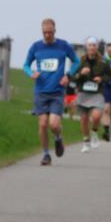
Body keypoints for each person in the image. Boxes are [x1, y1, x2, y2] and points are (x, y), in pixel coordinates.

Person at [24, 19, 80, 166]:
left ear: (55, 31)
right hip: (41, 91)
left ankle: (58, 138)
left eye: (50, 32)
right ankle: (46, 154)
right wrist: (31, 73)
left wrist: (68, 75)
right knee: (43, 124)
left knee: (54, 125)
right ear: (42, 32)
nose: (47, 35)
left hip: (57, 91)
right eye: (45, 33)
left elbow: (76, 61)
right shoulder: (36, 47)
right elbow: (26, 65)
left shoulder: (63, 45)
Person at [75, 37, 111, 152]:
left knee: (96, 116)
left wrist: (101, 79)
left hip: (97, 93)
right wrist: (81, 74)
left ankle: (94, 132)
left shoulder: (103, 62)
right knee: (84, 118)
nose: (92, 47)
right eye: (90, 45)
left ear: (97, 47)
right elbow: (73, 77)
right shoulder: (80, 61)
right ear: (86, 47)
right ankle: (86, 141)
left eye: (94, 45)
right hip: (83, 92)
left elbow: (110, 76)